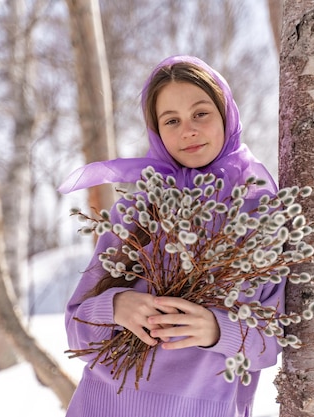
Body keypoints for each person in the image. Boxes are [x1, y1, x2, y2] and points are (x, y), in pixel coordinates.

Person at [58, 55, 285, 417]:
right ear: (157, 132)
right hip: (105, 406)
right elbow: (76, 329)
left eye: (200, 114)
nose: (188, 130)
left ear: (226, 115)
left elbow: (271, 340)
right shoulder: (135, 212)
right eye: (171, 121)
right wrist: (116, 307)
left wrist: (215, 329)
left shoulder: (260, 213)